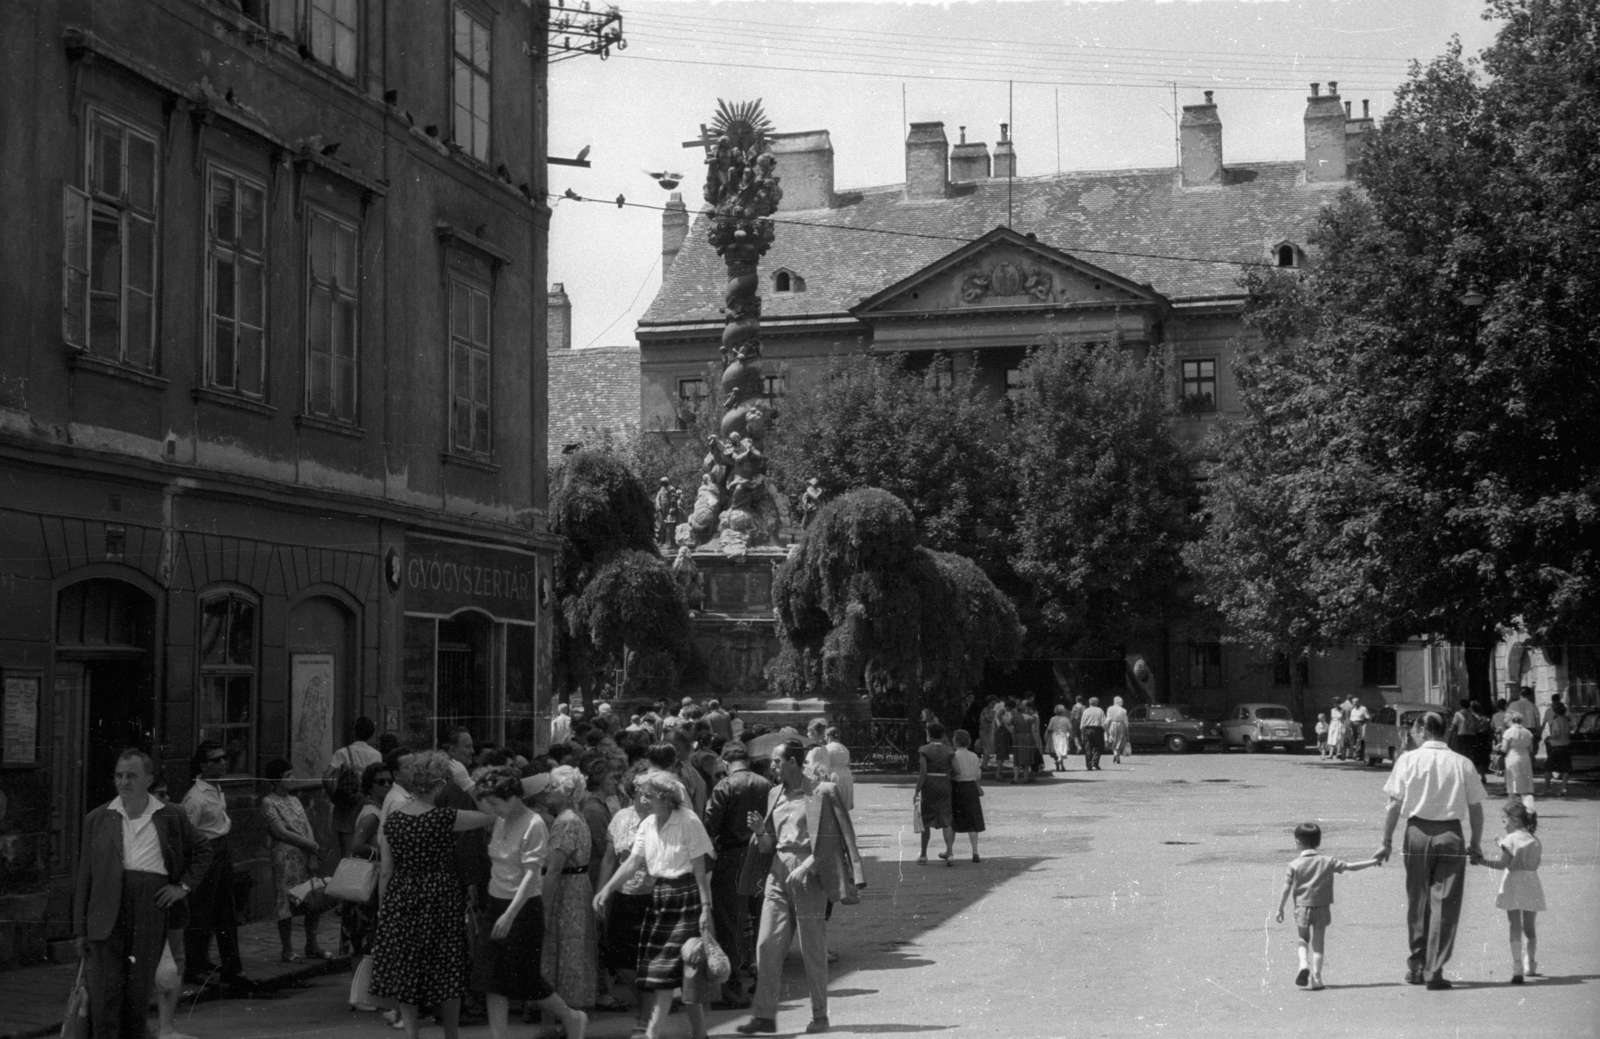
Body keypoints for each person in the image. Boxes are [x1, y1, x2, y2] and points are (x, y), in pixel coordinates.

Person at [73, 748, 212, 1039]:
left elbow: (203, 850)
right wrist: (79, 930)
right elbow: (84, 876)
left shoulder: (170, 815)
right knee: (104, 994)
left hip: (150, 906)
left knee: (137, 994)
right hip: (106, 910)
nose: (124, 782)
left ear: (149, 779)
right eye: (119, 776)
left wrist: (182, 887)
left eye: (132, 776)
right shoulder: (97, 819)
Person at [737, 738, 861, 1036]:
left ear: (793, 762)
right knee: (766, 944)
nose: (773, 766)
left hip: (809, 876)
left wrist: (808, 867)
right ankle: (764, 1016)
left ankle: (820, 1016)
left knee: (812, 949)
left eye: (777, 761)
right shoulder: (773, 793)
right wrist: (760, 832)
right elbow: (768, 846)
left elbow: (834, 841)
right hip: (777, 873)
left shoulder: (823, 792)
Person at [371, 750, 495, 1039]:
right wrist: (467, 783)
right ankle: (450, 1034)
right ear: (438, 785)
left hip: (402, 899)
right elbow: (491, 813)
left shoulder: (394, 821)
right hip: (441, 898)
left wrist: (384, 909)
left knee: (408, 969)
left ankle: (412, 1034)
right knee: (448, 968)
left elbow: (386, 871)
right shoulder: (445, 818)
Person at [592, 771, 716, 1039]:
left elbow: (699, 868)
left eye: (648, 795)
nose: (643, 799)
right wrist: (607, 889)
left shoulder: (688, 820)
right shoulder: (647, 824)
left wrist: (706, 909)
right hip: (660, 897)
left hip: (687, 897)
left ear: (663, 796)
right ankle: (697, 1034)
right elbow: (632, 862)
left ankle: (654, 1034)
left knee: (681, 969)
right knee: (666, 972)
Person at [471, 766, 589, 1039]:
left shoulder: (533, 823)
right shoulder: (501, 818)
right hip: (496, 904)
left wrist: (511, 914)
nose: (491, 808)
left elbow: (531, 874)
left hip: (522, 908)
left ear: (512, 798)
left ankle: (573, 1017)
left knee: (525, 980)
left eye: (495, 802)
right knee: (491, 980)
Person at [1374, 711, 1487, 989]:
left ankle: (1417, 965)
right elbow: (1476, 808)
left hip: (1417, 834)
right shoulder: (1463, 763)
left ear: (1423, 730)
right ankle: (1434, 970)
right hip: (1451, 835)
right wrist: (1475, 842)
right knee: (1445, 903)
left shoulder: (1408, 760)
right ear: (1446, 732)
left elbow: (1393, 804)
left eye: (1413, 729)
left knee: (1418, 899)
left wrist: (1385, 840)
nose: (1412, 734)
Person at [703, 742, 773, 1006]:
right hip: (761, 854)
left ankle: (731, 986)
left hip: (732, 857)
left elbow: (711, 823)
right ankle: (760, 975)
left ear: (725, 760)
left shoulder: (724, 786)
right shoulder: (766, 784)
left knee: (729, 921)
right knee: (761, 918)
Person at [180, 740, 251, 991]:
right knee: (201, 911)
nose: (222, 763)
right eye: (215, 760)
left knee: (226, 909)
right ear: (202, 765)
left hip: (222, 849)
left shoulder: (216, 788)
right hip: (205, 853)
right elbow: (186, 835)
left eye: (223, 758)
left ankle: (232, 966)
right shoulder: (195, 798)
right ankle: (194, 967)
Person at [1274, 822, 1380, 990]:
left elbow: (1286, 888)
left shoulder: (1294, 864)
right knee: (1318, 943)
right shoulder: (1327, 861)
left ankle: (1303, 964)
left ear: (1298, 842)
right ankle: (1317, 978)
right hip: (1322, 908)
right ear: (1319, 842)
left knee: (1303, 938)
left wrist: (1279, 909)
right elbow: (1350, 867)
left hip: (1302, 908)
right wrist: (1372, 862)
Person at [536, 765, 600, 1010]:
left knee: (560, 947)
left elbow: (554, 869)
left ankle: (560, 1015)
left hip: (566, 891)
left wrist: (544, 906)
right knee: (572, 948)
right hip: (577, 887)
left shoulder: (565, 821)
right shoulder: (577, 817)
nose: (548, 791)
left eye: (554, 787)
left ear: (568, 791)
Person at [596, 765, 654, 1033]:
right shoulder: (619, 817)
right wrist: (602, 892)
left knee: (649, 960)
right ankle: (647, 1007)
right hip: (624, 896)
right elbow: (610, 858)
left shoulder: (662, 818)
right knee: (620, 960)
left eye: (649, 793)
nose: (644, 798)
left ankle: (646, 1017)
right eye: (640, 792)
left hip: (654, 897)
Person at [259, 759, 327, 962]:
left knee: (312, 898)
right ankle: (287, 949)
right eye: (287, 775)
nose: (292, 779)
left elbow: (308, 827)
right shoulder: (268, 802)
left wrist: (312, 852)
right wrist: (310, 845)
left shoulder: (295, 800)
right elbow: (280, 831)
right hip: (285, 857)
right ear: (276, 779)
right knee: (286, 900)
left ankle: (312, 944)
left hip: (304, 855)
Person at [1475, 800, 1544, 984]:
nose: (1503, 824)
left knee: (1514, 924)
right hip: (1531, 882)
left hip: (1513, 883)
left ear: (1514, 820)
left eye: (1504, 821)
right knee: (1529, 926)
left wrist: (1481, 861)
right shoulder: (1534, 839)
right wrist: (1502, 844)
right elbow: (1531, 859)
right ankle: (1530, 963)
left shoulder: (1510, 840)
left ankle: (1517, 966)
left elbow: (1502, 864)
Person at [346, 761, 391, 1014]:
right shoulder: (373, 813)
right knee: (362, 939)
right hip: (367, 881)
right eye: (380, 782)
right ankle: (358, 995)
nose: (386, 785)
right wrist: (382, 854)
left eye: (389, 781)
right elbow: (357, 846)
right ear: (370, 786)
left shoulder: (375, 809)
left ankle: (361, 992)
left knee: (364, 938)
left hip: (371, 881)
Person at [325, 717, 383, 859]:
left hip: (345, 804)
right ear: (371, 734)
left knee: (346, 850)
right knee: (365, 845)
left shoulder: (342, 752)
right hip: (366, 803)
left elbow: (326, 778)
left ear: (355, 732)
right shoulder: (376, 755)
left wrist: (335, 797)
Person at [915, 722, 956, 864]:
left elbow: (923, 772)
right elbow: (957, 770)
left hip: (930, 785)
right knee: (946, 819)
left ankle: (924, 854)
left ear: (929, 734)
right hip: (944, 783)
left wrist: (917, 790)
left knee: (926, 820)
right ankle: (950, 853)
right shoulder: (949, 751)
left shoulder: (925, 750)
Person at [950, 730, 985, 863]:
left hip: (957, 787)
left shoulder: (954, 755)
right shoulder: (974, 756)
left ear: (957, 741)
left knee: (953, 820)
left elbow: (953, 773)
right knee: (972, 820)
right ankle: (975, 851)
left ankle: (950, 850)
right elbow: (977, 775)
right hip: (971, 787)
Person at [1499, 713, 1536, 809]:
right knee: (1525, 783)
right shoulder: (1527, 732)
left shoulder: (1508, 732)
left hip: (1512, 757)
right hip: (1525, 757)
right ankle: (1528, 807)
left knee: (1512, 782)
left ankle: (1513, 807)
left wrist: (1498, 748)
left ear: (1512, 720)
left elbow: (1504, 749)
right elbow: (1531, 749)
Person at [1541, 701, 1572, 798]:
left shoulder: (1556, 721)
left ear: (1555, 711)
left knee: (1548, 768)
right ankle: (1563, 788)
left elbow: (1556, 733)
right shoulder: (1566, 720)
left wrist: (1550, 738)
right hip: (1566, 745)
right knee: (1565, 768)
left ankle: (1547, 788)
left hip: (1556, 746)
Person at [821, 727, 854, 812]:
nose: (824, 738)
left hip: (834, 776)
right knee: (843, 806)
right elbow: (848, 765)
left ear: (829, 736)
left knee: (834, 806)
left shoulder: (826, 749)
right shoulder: (844, 748)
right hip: (846, 776)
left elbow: (825, 767)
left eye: (825, 736)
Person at [1009, 700, 1041, 782]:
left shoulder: (1014, 717)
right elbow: (1033, 730)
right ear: (1024, 710)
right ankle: (1025, 778)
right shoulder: (1030, 718)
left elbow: (1011, 730)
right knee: (1027, 758)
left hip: (1018, 737)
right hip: (1028, 737)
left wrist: (1013, 738)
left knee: (1017, 758)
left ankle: (1015, 778)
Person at [1079, 698, 1107, 771]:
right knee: (1099, 747)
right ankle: (1095, 761)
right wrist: (1105, 730)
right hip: (1097, 730)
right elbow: (1104, 722)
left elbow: (1082, 725)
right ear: (1097, 703)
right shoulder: (1100, 710)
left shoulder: (1085, 711)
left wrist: (1082, 734)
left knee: (1088, 748)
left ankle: (1089, 765)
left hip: (1087, 730)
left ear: (1089, 703)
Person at [1104, 696, 1131, 765]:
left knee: (1112, 740)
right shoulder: (1123, 710)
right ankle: (1118, 756)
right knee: (1119, 740)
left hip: (1113, 724)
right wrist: (1127, 728)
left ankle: (1115, 754)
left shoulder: (1110, 709)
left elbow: (1108, 718)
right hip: (1121, 725)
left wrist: (1104, 725)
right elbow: (1126, 721)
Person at [1045, 705, 1072, 773]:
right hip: (1063, 735)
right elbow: (1069, 728)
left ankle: (1061, 766)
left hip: (1055, 735)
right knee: (1062, 750)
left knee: (1057, 751)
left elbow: (1049, 728)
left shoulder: (1053, 719)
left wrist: (1047, 735)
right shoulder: (1065, 719)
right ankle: (1059, 762)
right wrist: (1071, 735)